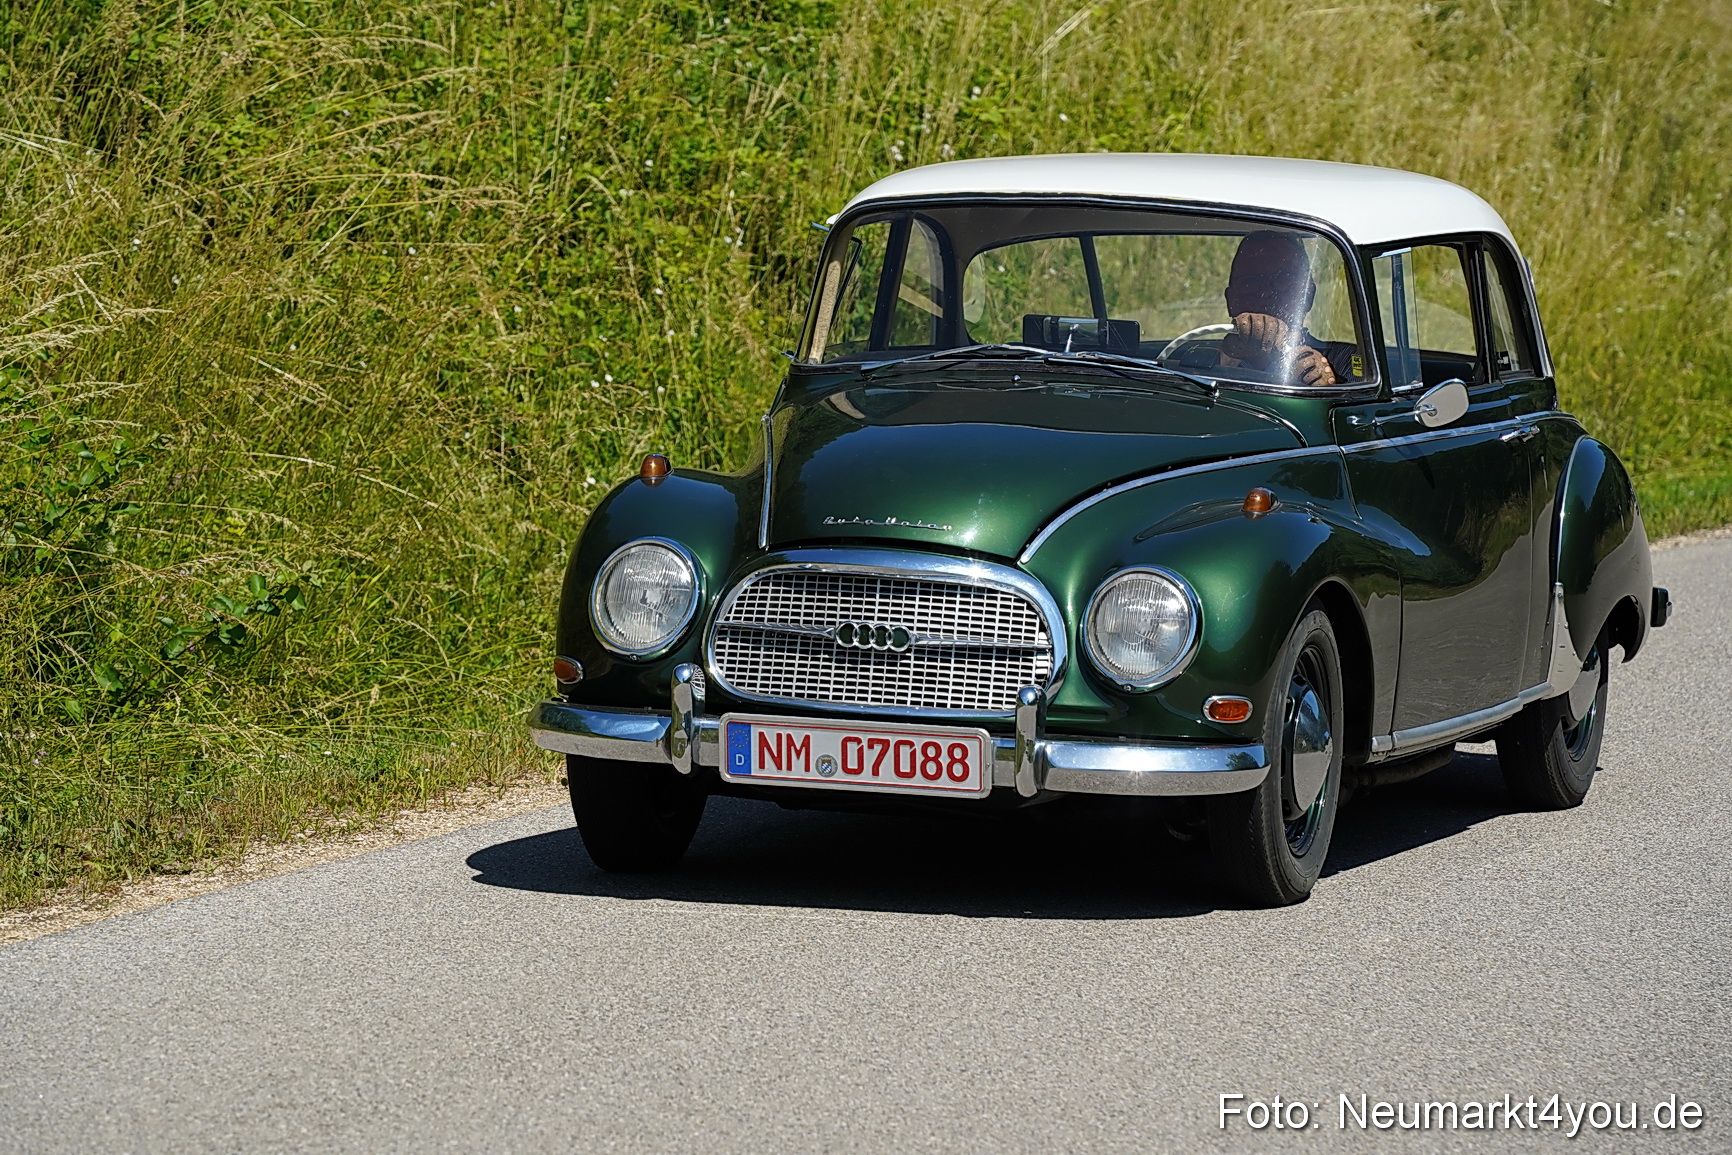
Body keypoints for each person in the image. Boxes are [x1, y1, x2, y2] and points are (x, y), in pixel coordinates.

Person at [1218, 231, 1361, 386]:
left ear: (1308, 296)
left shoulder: (1346, 359)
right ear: (1230, 300)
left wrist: (1328, 384)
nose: (1266, 292)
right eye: (1250, 282)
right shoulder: (1200, 359)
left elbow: (1360, 397)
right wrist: (1226, 362)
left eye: (1283, 280)